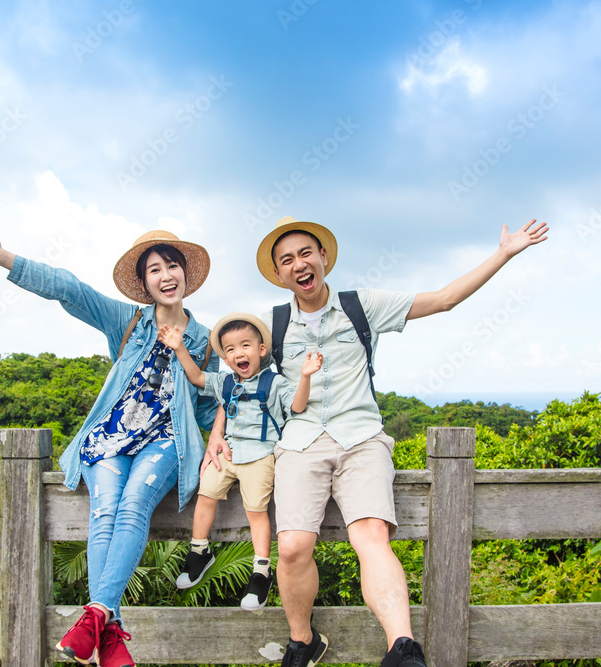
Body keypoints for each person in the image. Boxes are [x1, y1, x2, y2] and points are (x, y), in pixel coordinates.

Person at [204, 216, 549, 667]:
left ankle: (402, 648)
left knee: (370, 536)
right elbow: (239, 381)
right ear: (278, 274)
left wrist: (503, 253)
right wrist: (217, 435)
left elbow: (443, 300)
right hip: (301, 443)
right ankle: (303, 640)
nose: (299, 264)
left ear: (324, 257)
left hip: (361, 438)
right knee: (290, 547)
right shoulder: (272, 325)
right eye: (286, 260)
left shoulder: (362, 305)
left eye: (306, 253)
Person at [0, 228, 219, 667]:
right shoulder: (126, 320)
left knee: (134, 503)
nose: (166, 275)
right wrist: (5, 257)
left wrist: (230, 437)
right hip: (109, 438)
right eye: (155, 269)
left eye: (172, 265)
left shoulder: (205, 342)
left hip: (166, 442)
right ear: (144, 284)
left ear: (185, 274)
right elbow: (71, 289)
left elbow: (211, 406)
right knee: (105, 509)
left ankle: (95, 621)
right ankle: (107, 632)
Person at [158, 313, 323, 611]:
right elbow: (196, 377)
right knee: (205, 493)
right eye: (230, 349)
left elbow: (297, 406)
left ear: (261, 350)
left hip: (260, 456)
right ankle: (200, 551)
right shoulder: (225, 382)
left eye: (245, 345)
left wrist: (306, 376)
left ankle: (261, 569)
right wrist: (178, 347)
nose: (238, 354)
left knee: (256, 511)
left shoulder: (274, 383)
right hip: (229, 452)